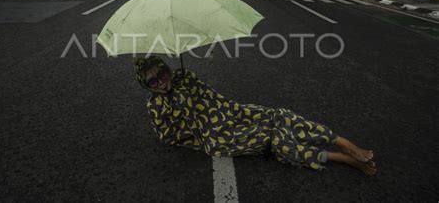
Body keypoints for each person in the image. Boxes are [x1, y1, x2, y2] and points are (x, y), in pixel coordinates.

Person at [134, 56, 376, 175]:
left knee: (279, 115)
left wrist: (233, 109)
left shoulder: (185, 77)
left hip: (230, 112)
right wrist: (189, 125)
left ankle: (340, 141)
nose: (160, 82)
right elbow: (166, 136)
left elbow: (212, 96)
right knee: (273, 140)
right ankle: (338, 157)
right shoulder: (156, 106)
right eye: (152, 81)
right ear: (147, 86)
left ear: (167, 69)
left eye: (162, 74)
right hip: (218, 137)